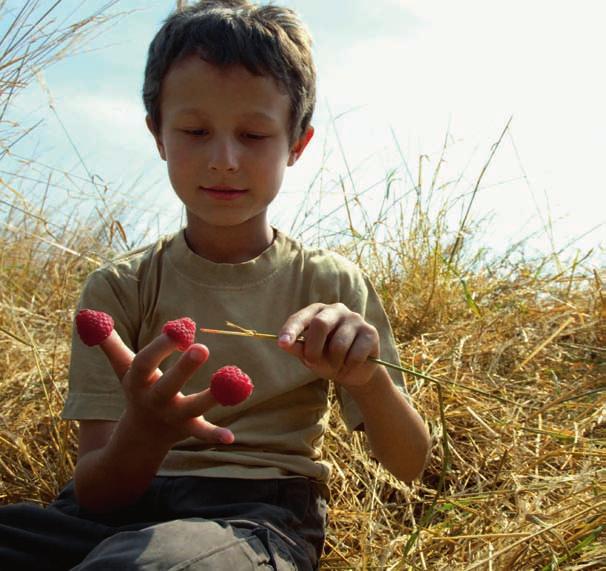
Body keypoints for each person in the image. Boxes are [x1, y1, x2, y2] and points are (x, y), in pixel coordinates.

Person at [0, 1, 431, 568]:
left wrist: (368, 380)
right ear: (158, 134)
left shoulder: (329, 283)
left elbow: (410, 463)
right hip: (105, 516)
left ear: (296, 143)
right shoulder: (119, 287)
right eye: (195, 131)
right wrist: (147, 433)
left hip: (252, 517)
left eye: (253, 134)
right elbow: (99, 492)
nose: (224, 160)